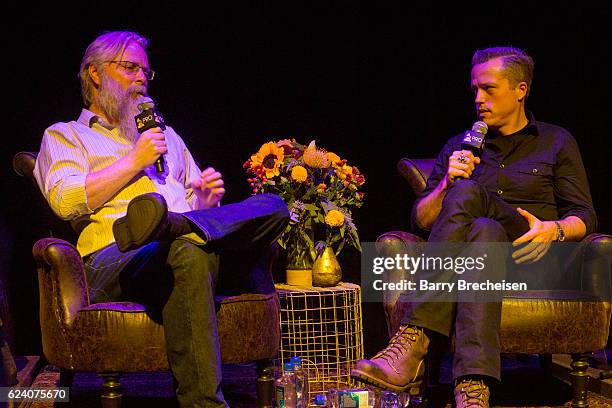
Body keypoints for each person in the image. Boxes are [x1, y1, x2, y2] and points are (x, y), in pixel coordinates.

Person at [33, 30, 289, 407]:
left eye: (145, 72)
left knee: (271, 207)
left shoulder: (166, 135)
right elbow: (66, 199)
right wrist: (134, 160)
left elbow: (202, 220)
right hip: (112, 260)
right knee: (187, 247)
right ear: (94, 74)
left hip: (180, 252)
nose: (141, 78)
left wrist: (202, 202)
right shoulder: (66, 135)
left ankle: (171, 224)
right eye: (130, 68)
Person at [351, 47, 597, 407]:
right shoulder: (460, 147)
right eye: (475, 91)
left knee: (474, 202)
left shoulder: (556, 141)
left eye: (489, 89)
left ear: (520, 89)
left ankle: (415, 336)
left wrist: (552, 230)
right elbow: (422, 220)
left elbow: (585, 215)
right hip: (475, 262)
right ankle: (472, 388)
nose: (479, 100)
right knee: (483, 229)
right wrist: (446, 185)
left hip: (529, 256)